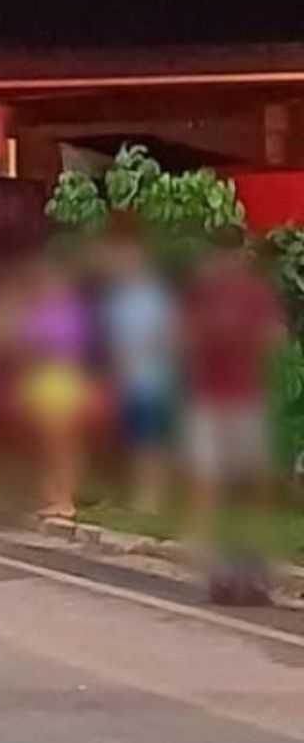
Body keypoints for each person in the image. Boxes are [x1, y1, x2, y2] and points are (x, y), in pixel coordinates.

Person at [181, 232, 286, 593]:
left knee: (253, 478)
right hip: (208, 396)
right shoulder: (202, 292)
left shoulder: (254, 293)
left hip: (245, 394)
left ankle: (254, 544)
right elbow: (183, 337)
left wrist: (241, 335)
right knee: (206, 474)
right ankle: (205, 545)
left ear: (242, 254)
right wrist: (211, 335)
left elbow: (274, 335)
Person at [98, 233, 178, 512]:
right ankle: (121, 494)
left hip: (148, 380)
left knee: (148, 441)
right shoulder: (116, 298)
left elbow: (167, 336)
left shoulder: (154, 296)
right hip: (119, 379)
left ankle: (149, 498)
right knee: (122, 442)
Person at [18, 259, 94, 521]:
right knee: (46, 442)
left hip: (60, 378)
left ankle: (65, 499)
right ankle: (52, 493)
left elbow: (64, 346)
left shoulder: (70, 311)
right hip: (39, 378)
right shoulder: (37, 309)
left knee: (62, 441)